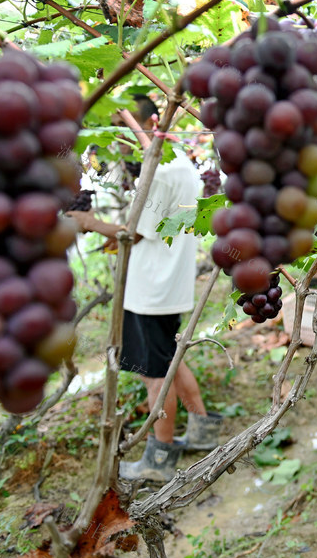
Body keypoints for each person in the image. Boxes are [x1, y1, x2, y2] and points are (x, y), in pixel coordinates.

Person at [67, 97, 222, 482]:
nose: (119, 147)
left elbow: (132, 232)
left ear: (150, 124)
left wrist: (88, 221)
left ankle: (160, 458)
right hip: (168, 284)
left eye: (123, 134)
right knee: (169, 359)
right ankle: (203, 429)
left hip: (152, 290)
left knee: (155, 375)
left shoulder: (162, 169)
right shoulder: (180, 163)